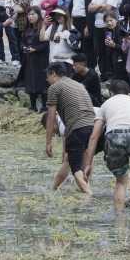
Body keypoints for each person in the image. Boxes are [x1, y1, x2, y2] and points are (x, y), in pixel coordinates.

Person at [83, 80, 130, 211]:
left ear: (111, 93)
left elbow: (94, 136)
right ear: (129, 92)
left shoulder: (105, 104)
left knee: (121, 181)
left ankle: (119, 219)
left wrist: (88, 164)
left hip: (114, 136)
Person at [44, 63, 97, 194]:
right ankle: (54, 188)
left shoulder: (54, 88)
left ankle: (89, 194)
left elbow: (51, 117)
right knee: (72, 160)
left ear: (53, 74)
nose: (47, 80)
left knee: (75, 168)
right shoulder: (78, 84)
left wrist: (48, 142)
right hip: (93, 126)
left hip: (78, 127)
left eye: (47, 76)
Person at [88, 0, 122, 79]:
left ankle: (112, 74)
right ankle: (103, 74)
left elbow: (108, 9)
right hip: (97, 26)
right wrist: (101, 5)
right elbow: (89, 8)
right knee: (99, 51)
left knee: (110, 51)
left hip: (109, 27)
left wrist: (97, 6)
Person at [18, 6, 49, 111]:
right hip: (29, 60)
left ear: (39, 15)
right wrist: (24, 48)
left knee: (42, 82)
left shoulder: (43, 28)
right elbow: (22, 42)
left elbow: (46, 43)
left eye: (33, 14)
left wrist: (35, 49)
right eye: (29, 14)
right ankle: (33, 106)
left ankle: (44, 106)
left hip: (41, 60)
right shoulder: (27, 29)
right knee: (30, 82)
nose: (30, 17)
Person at [69, 0, 96, 69]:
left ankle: (89, 69)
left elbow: (91, 12)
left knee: (87, 48)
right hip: (75, 22)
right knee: (77, 47)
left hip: (85, 22)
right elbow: (71, 7)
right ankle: (79, 68)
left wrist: (88, 26)